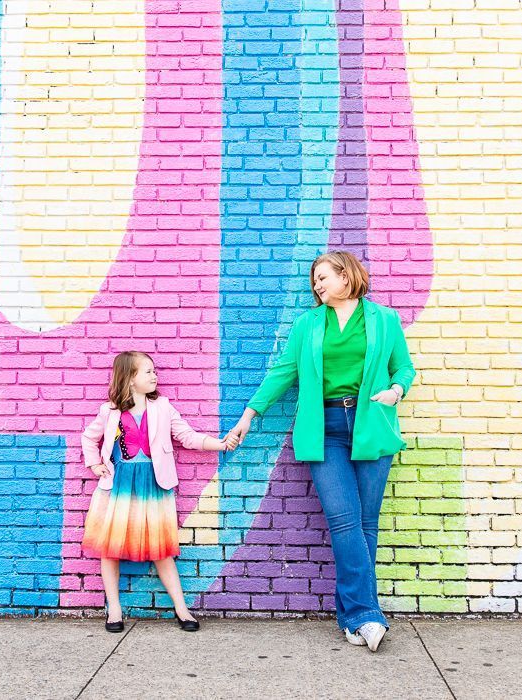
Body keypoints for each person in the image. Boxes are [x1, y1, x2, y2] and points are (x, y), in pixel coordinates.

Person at [225, 251, 416, 652]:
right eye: (314, 280)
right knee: (345, 521)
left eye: (323, 277)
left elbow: (404, 368)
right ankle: (368, 614)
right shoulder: (308, 324)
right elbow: (283, 372)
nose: (317, 285)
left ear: (347, 276)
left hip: (371, 427)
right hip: (324, 430)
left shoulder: (384, 319)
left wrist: (395, 391)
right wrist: (248, 416)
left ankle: (352, 617)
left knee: (366, 524)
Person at [82, 351, 237, 633]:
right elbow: (89, 438)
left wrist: (219, 444)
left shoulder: (163, 407)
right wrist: (94, 464)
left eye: (154, 371)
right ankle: (114, 609)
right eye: (148, 372)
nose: (155, 376)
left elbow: (186, 436)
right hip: (119, 485)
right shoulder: (110, 411)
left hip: (154, 484)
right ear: (129, 379)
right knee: (110, 548)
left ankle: (182, 609)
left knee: (161, 549)